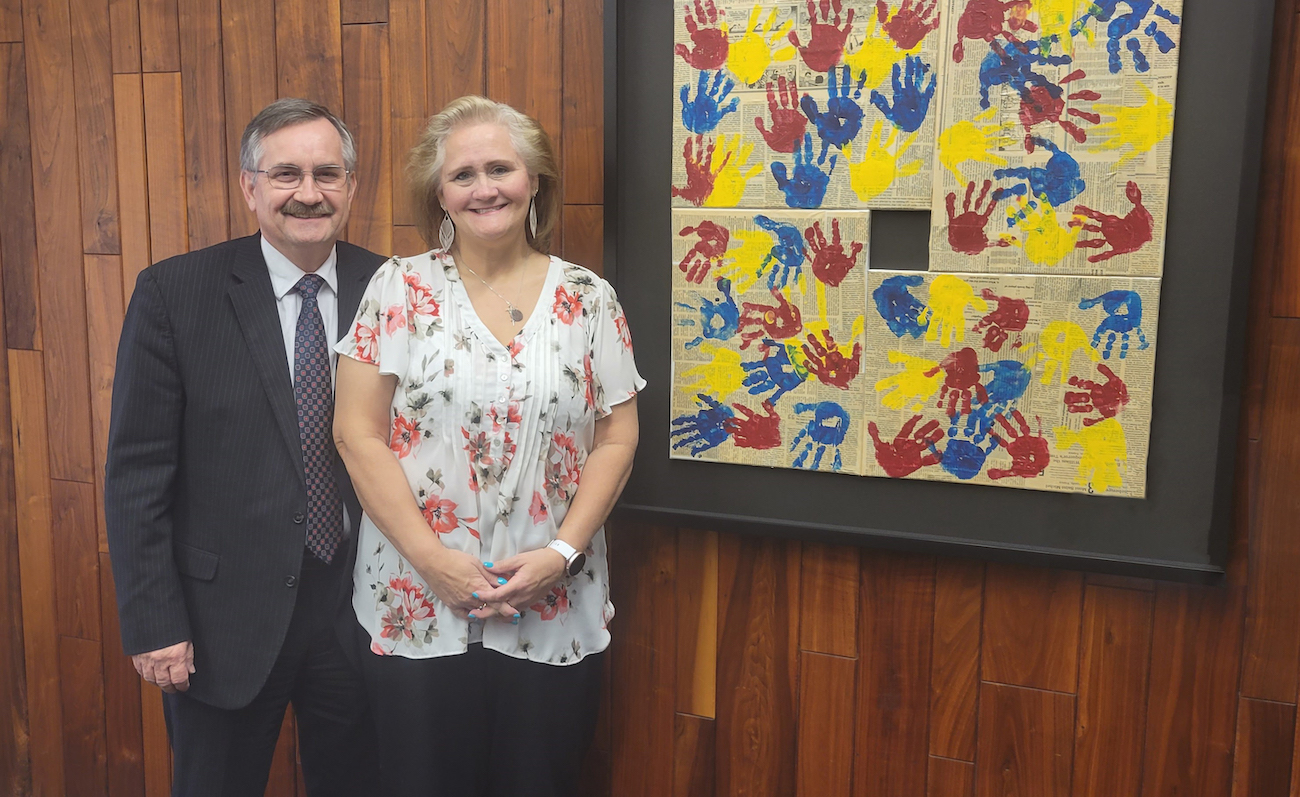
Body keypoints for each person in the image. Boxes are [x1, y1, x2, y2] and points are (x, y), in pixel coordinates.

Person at [333, 95, 643, 795]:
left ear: (534, 179)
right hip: (415, 599)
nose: (484, 187)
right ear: (439, 193)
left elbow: (617, 436)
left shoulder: (590, 299)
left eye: (500, 167)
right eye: (462, 174)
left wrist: (561, 556)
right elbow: (357, 434)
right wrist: (435, 561)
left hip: (554, 602)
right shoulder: (398, 288)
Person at [104, 98, 384, 796]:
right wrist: (154, 620)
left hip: (364, 611)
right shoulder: (176, 292)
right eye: (286, 173)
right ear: (249, 186)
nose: (309, 192)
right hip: (217, 622)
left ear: (351, 185)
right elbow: (138, 471)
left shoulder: (397, 290)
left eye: (328, 173)